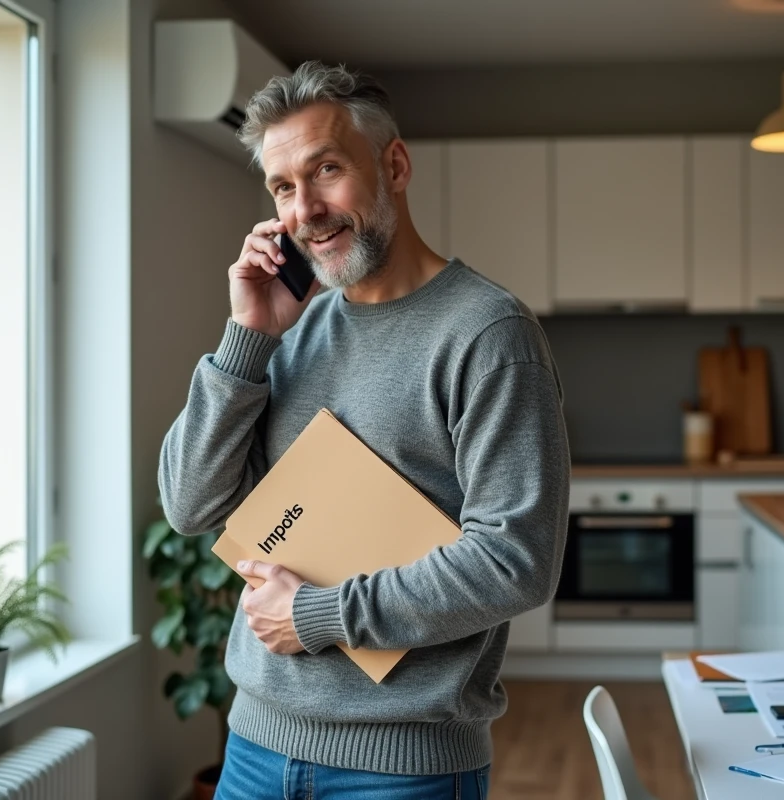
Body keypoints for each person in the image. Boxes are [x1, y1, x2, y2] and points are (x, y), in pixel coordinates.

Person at [158, 60, 570, 800]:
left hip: (404, 768)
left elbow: (516, 560)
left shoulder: (488, 335)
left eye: (326, 170)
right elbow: (190, 506)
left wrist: (317, 615)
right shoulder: (289, 331)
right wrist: (247, 338)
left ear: (395, 166)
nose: (306, 210)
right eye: (283, 188)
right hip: (254, 746)